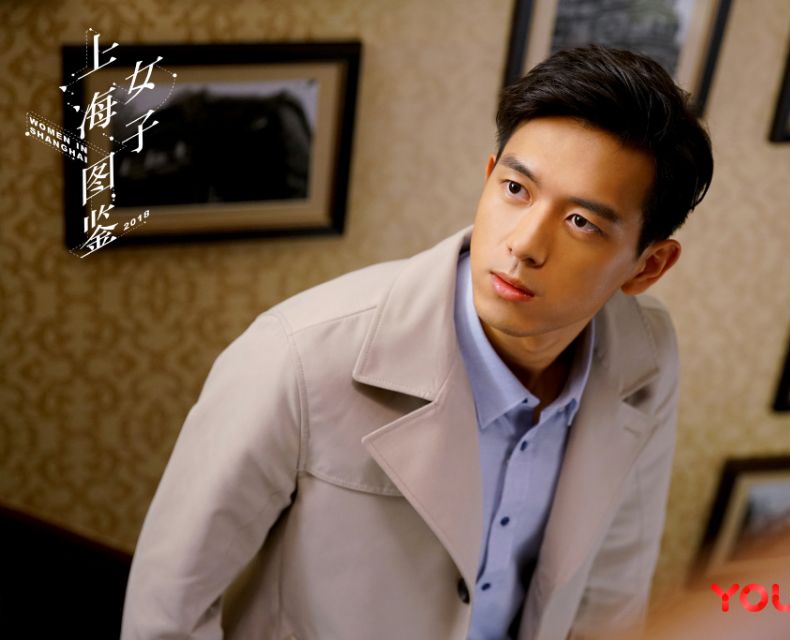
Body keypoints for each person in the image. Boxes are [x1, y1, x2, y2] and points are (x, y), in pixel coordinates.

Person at [120, 44, 713, 640]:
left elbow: (614, 590)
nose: (525, 244)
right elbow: (165, 614)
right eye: (516, 189)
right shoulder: (297, 356)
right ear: (489, 176)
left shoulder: (648, 353)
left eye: (581, 222)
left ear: (648, 266)